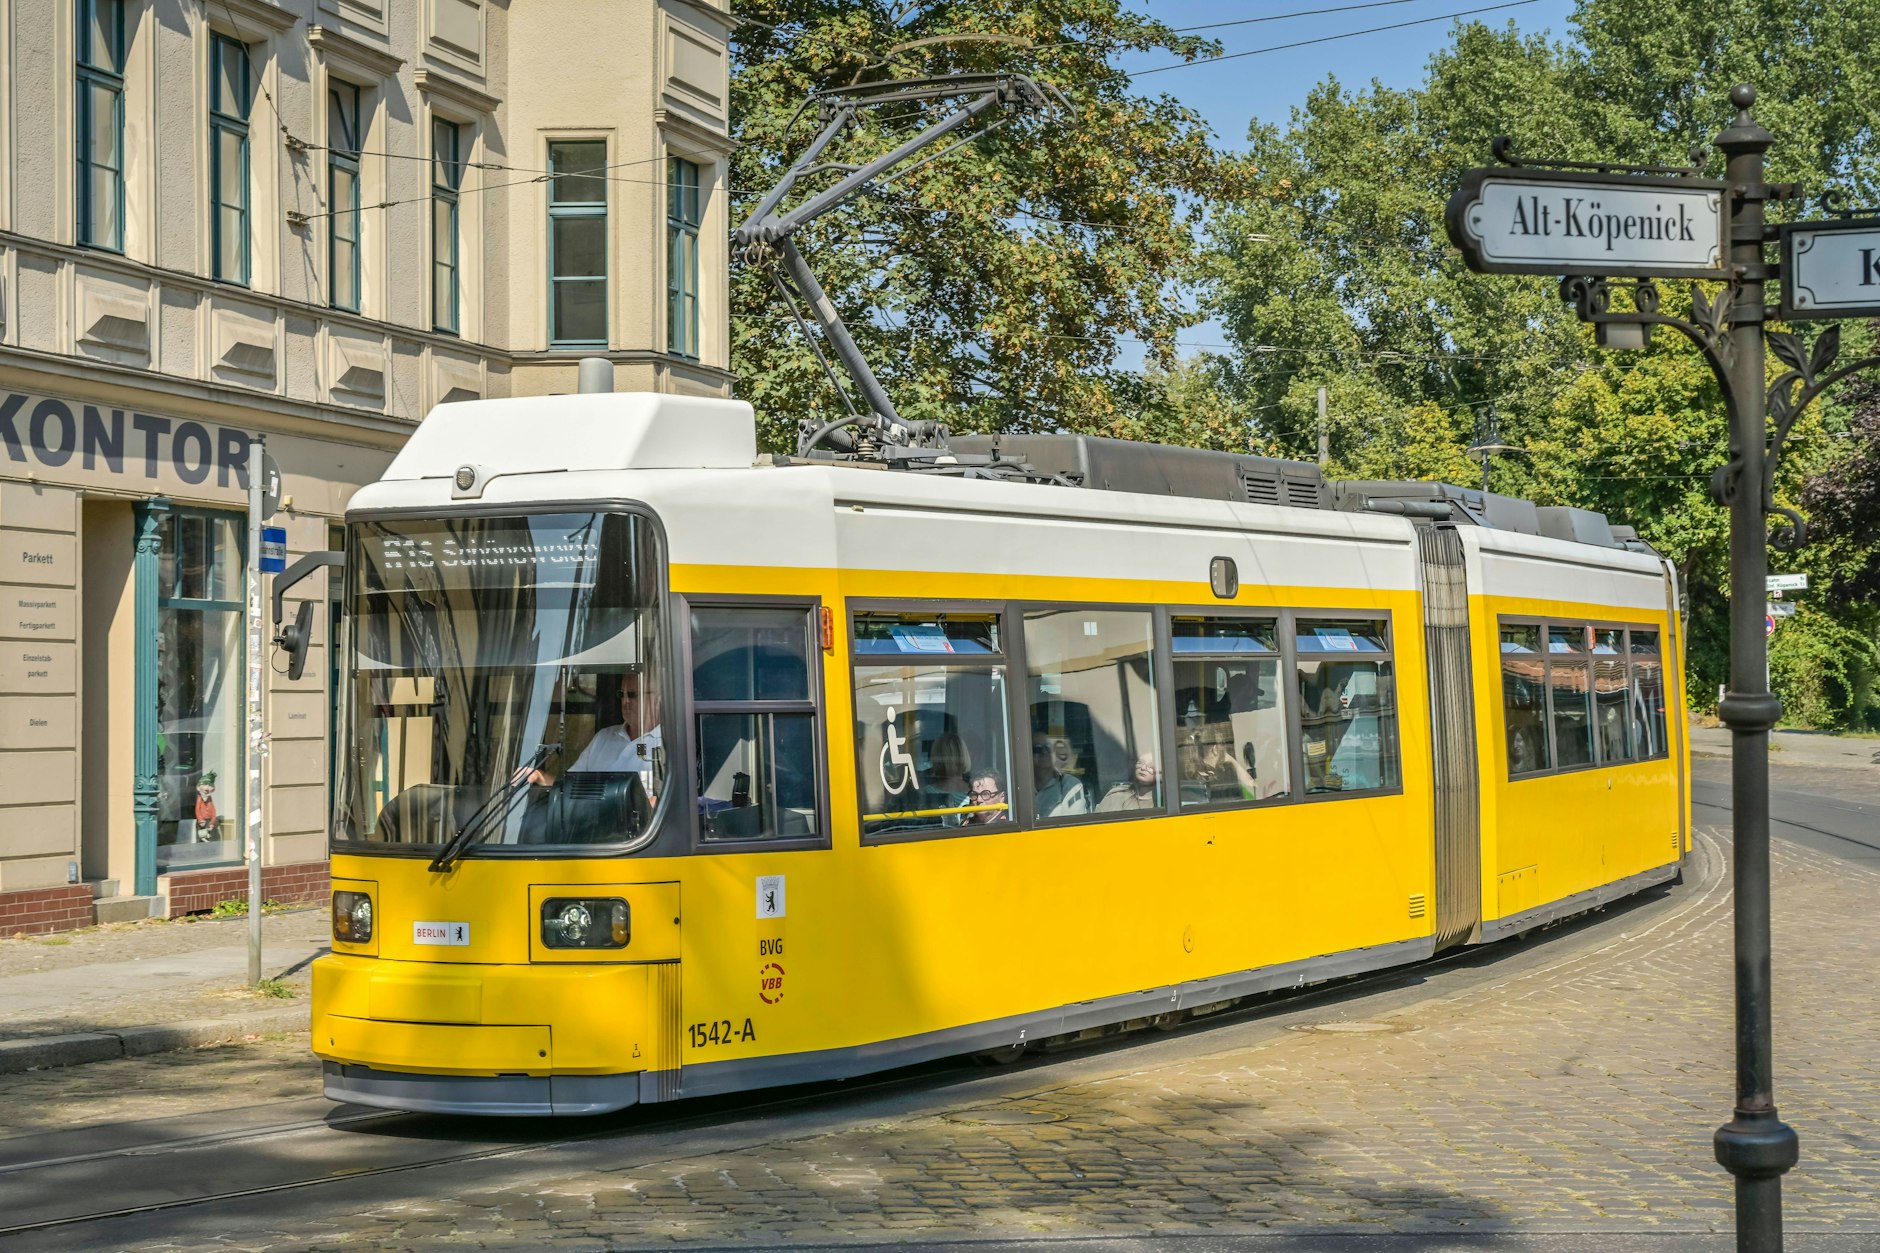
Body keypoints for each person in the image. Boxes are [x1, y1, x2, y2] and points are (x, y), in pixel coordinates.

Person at [531, 668, 662, 802]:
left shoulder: (667, 743)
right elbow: (569, 787)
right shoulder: (603, 737)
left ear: (657, 699)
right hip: (589, 814)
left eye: (633, 694)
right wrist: (539, 776)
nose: (625, 701)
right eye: (621, 694)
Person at [1032, 732, 1088, 817]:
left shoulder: (1070, 785)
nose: (1044, 752)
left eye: (1048, 748)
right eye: (1037, 749)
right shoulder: (1019, 788)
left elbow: (1074, 822)